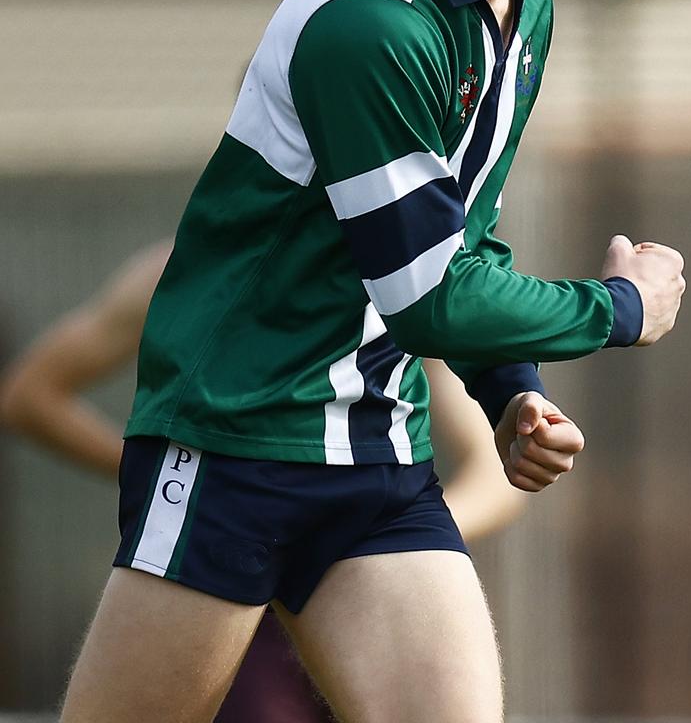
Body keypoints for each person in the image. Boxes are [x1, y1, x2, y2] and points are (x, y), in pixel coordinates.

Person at [57, 0, 686, 721]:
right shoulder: (370, 21)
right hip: (238, 441)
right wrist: (622, 304)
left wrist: (508, 390)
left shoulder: (520, 4)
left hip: (379, 456)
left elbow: (458, 234)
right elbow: (432, 295)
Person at [0, 242, 525, 721]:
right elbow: (31, 395)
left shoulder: (399, 280)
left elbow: (492, 472)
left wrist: (382, 539)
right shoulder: (183, 272)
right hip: (226, 575)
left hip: (357, 574)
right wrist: (183, 485)